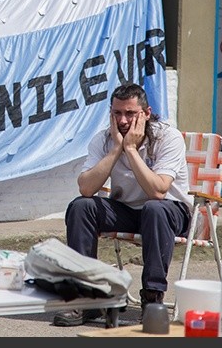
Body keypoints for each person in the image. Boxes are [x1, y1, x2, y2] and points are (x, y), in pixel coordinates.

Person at [52, 82, 191, 327]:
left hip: (170, 212)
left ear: (146, 113)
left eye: (130, 113)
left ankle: (152, 297)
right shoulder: (104, 139)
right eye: (117, 113)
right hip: (127, 210)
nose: (123, 120)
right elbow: (86, 188)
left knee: (154, 208)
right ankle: (86, 297)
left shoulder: (168, 137)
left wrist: (131, 150)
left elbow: (158, 191)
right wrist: (117, 148)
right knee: (81, 206)